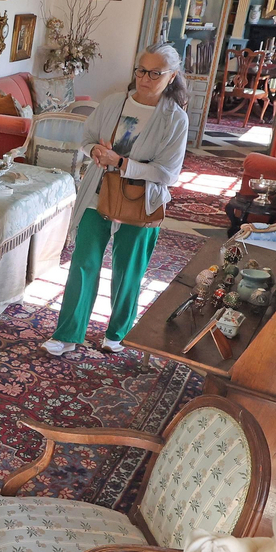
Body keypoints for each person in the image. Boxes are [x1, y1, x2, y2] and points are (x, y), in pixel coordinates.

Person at [43, 42, 190, 357]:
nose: (145, 79)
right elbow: (86, 139)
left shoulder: (175, 119)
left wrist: (121, 163)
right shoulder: (113, 103)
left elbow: (168, 174)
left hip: (143, 202)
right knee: (83, 263)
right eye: (140, 70)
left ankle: (118, 332)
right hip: (99, 193)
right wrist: (95, 151)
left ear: (172, 76)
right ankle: (68, 333)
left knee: (129, 271)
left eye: (155, 73)